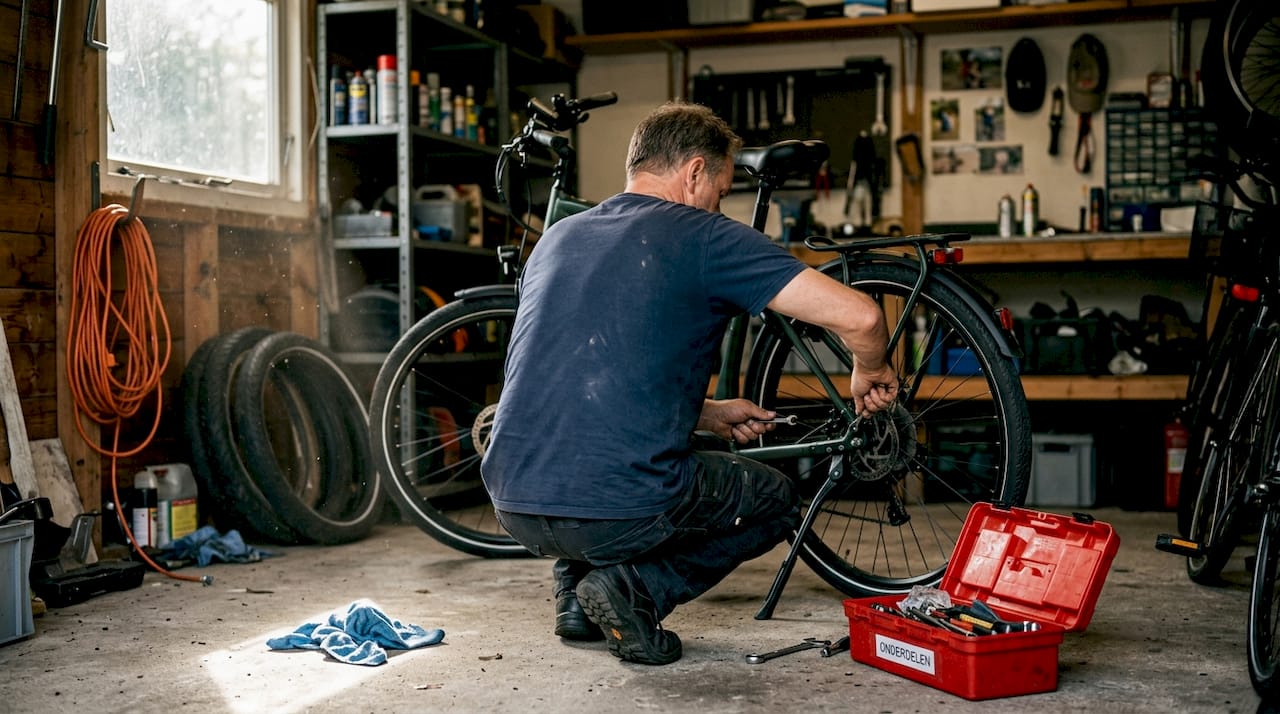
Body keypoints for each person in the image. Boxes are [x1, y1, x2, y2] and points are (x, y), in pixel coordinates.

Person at [479, 101, 899, 666]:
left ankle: (574, 604)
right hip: (613, 510)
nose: (718, 206)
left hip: (514, 502)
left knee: (592, 458)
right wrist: (870, 369)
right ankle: (634, 590)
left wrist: (709, 412)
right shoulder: (703, 236)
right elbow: (864, 318)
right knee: (775, 501)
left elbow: (583, 378)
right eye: (722, 193)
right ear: (695, 172)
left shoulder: (558, 237)